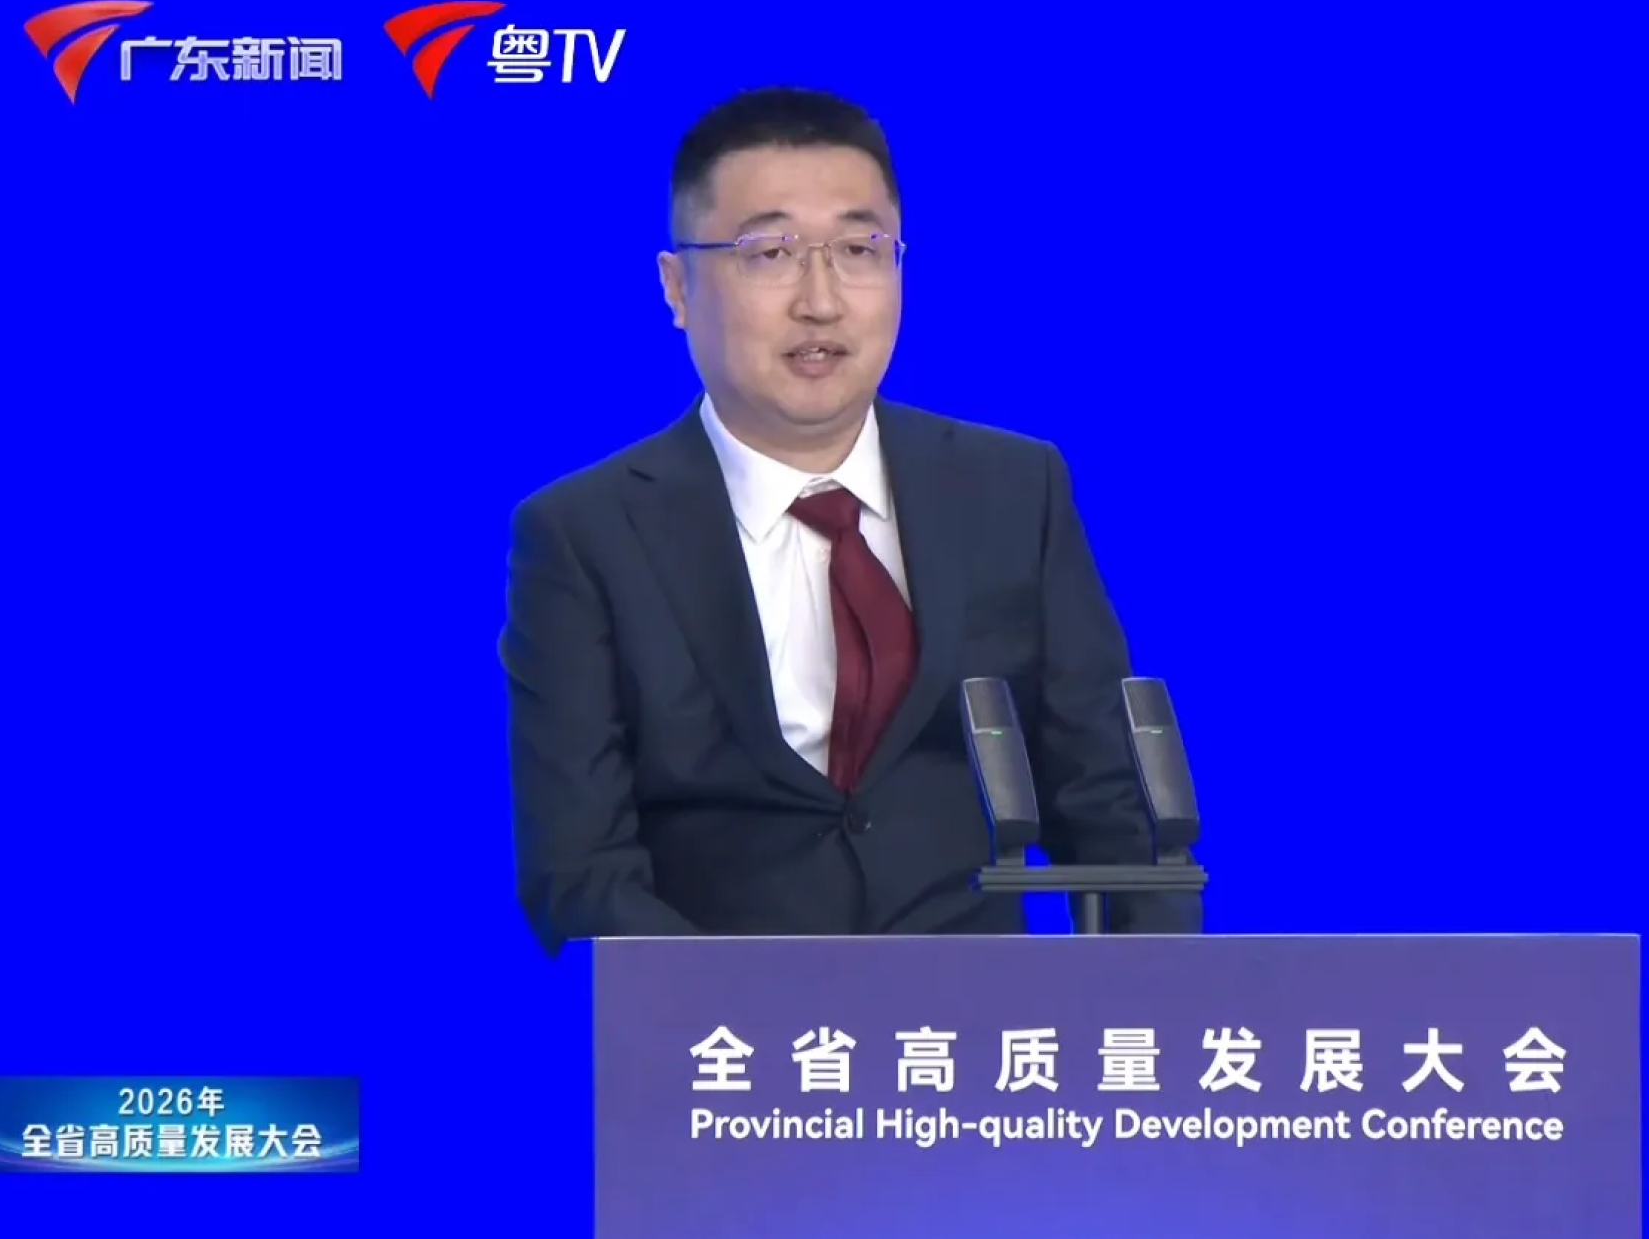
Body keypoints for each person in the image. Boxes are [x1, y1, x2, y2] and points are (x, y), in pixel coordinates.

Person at [498, 87, 1202, 951]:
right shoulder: (584, 535)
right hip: (720, 1024)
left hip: (979, 1021)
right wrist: (742, 1015)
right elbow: (580, 872)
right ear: (677, 287)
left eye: (860, 249)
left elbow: (1111, 810)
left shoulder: (1016, 491)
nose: (822, 300)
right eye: (770, 252)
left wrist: (1149, 1000)